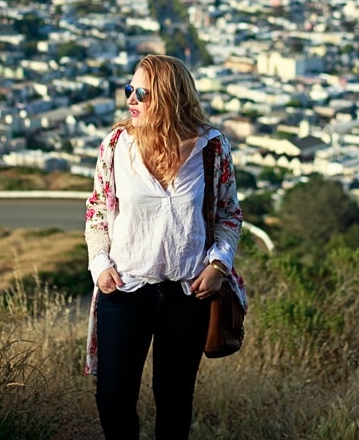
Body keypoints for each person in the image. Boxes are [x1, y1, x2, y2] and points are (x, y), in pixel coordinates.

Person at [84, 54, 245, 440]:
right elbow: (97, 211)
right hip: (125, 289)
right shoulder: (116, 146)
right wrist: (100, 264)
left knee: (174, 402)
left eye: (143, 93)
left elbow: (229, 215)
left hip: (187, 294)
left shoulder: (211, 148)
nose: (131, 99)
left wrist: (218, 266)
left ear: (171, 98)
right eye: (130, 90)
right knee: (113, 398)